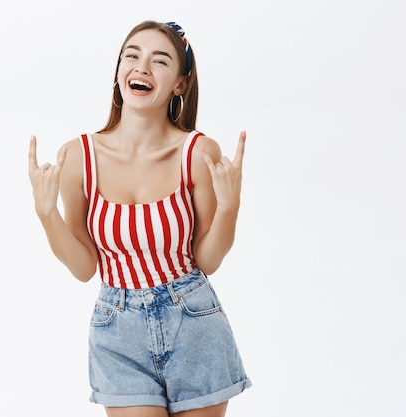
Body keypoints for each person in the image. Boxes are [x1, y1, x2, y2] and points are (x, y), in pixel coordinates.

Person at [28, 20, 251, 417]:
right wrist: (47, 215)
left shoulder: (197, 153)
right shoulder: (78, 157)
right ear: (118, 71)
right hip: (117, 329)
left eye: (159, 61)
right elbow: (84, 268)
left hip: (194, 321)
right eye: (132, 56)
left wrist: (230, 208)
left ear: (179, 84)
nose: (141, 67)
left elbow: (208, 260)